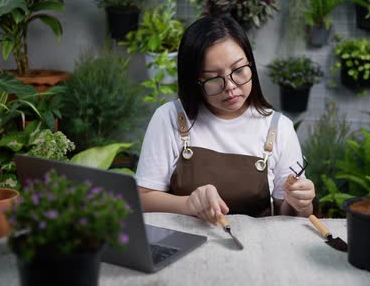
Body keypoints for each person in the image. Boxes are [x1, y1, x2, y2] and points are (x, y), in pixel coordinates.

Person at [135, 14, 315, 224]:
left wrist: (300, 203)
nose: (230, 86)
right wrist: (188, 204)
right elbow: (141, 198)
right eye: (213, 78)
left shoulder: (279, 128)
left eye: (238, 70)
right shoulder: (170, 118)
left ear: (251, 64)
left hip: (256, 250)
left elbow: (291, 219)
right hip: (185, 246)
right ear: (195, 81)